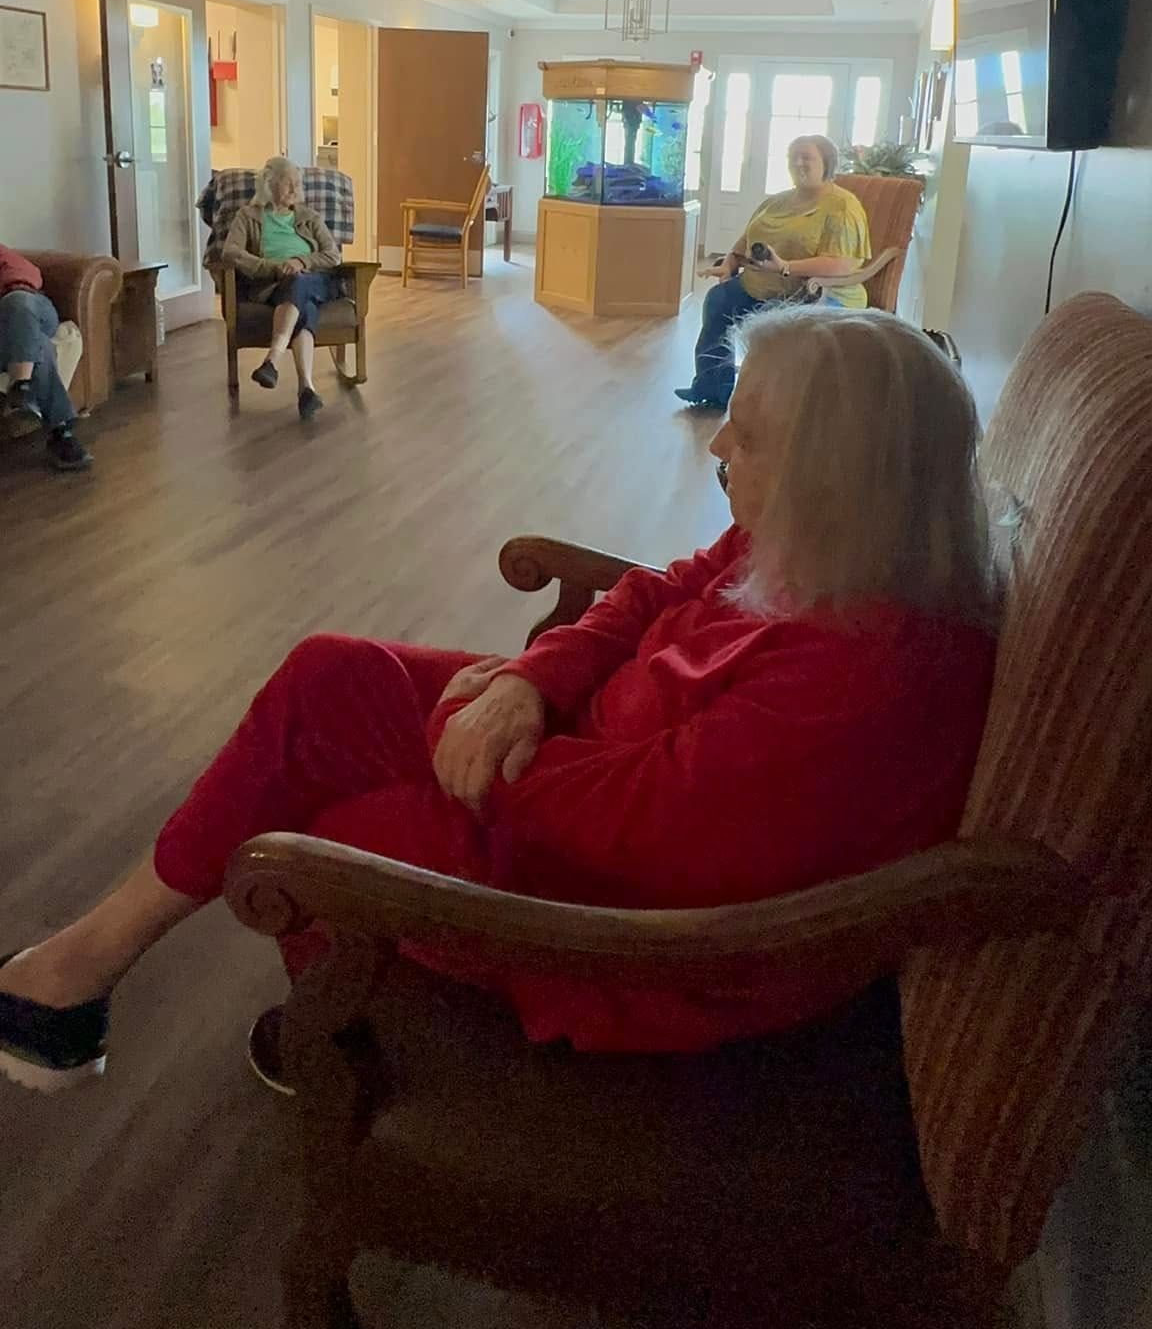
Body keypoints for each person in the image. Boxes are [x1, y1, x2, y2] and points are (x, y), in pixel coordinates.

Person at [0, 307, 997, 1090]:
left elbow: (636, 833)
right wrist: (529, 677)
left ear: (839, 476)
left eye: (753, 431)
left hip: (620, 921)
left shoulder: (864, 673)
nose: (718, 442)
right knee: (330, 671)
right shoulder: (826, 544)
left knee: (317, 829)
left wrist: (465, 713)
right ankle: (84, 963)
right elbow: (654, 590)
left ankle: (344, 1039)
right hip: (570, 764)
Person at [675, 134, 870, 410]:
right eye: (793, 157)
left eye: (807, 157)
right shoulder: (776, 202)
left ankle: (771, 406)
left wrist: (786, 267)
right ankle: (712, 388)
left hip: (816, 295)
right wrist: (730, 263)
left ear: (827, 163)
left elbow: (843, 264)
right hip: (759, 285)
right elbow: (746, 241)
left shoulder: (844, 207)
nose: (798, 163)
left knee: (772, 322)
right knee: (718, 300)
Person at [223, 157, 342, 418]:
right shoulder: (248, 216)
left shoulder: (309, 217)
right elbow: (230, 253)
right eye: (288, 183)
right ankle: (306, 390)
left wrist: (302, 260)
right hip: (275, 285)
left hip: (316, 280)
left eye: (298, 184)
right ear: (269, 185)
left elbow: (333, 255)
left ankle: (273, 360)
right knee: (304, 310)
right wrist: (271, 267)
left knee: (299, 282)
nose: (295, 190)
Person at [0, 246, 92, 472]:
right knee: (39, 344)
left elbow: (25, 273)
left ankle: (20, 389)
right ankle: (61, 430)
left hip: (29, 307)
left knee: (18, 305)